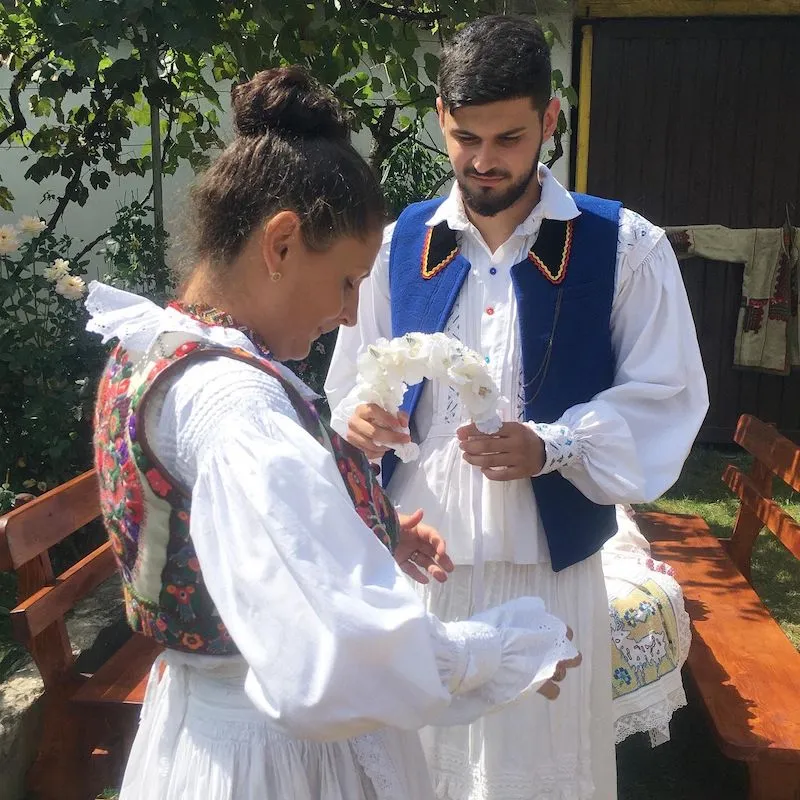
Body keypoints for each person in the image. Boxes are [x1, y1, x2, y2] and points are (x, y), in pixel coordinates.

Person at [86, 66, 582, 800]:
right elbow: (336, 653)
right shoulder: (233, 406)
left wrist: (370, 526)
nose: (351, 315)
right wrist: (501, 650)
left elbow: (235, 533)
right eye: (348, 280)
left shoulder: (160, 344)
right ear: (281, 244)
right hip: (269, 759)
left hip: (209, 722)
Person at [325, 15, 709, 800]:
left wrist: (555, 446)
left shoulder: (624, 246)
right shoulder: (398, 245)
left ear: (550, 121)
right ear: (440, 118)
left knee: (540, 779)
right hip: (422, 570)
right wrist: (358, 421)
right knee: (413, 773)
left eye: (508, 138)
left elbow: (668, 393)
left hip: (549, 572)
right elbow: (349, 382)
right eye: (466, 137)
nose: (484, 160)